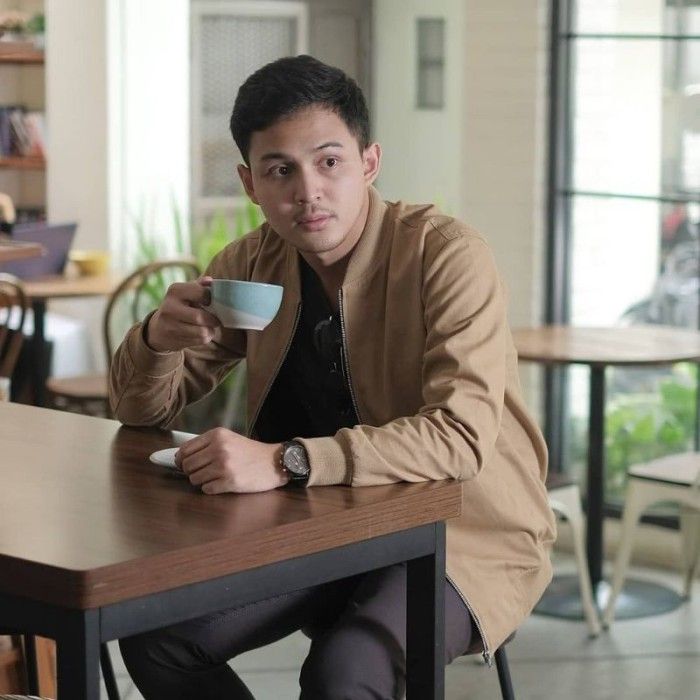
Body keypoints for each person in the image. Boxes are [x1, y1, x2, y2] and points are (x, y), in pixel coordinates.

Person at [110, 54, 555, 700]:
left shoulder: (446, 256)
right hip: (324, 528)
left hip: (466, 531)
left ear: (369, 162)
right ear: (250, 183)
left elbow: (459, 438)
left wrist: (285, 460)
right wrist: (157, 340)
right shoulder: (250, 265)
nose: (307, 191)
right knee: (158, 635)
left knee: (347, 668)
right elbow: (138, 411)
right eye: (280, 170)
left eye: (329, 162)